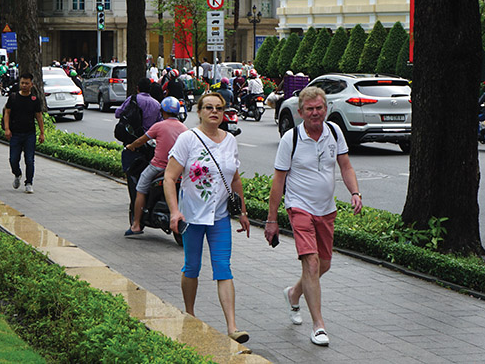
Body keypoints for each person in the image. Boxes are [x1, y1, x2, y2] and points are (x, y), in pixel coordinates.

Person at [264, 87, 362, 347]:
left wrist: (355, 192)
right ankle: (318, 325)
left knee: (324, 264)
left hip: (326, 209)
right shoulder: (291, 139)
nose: (315, 113)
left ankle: (294, 293)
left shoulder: (334, 132)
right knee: (312, 263)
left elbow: (346, 165)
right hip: (299, 207)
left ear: (325, 109)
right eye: (310, 109)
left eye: (319, 108)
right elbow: (278, 181)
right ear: (300, 112)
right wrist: (272, 219)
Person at [163, 92, 251, 343]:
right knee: (192, 267)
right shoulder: (187, 139)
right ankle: (190, 314)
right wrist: (174, 211)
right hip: (191, 216)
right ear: (199, 111)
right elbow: (170, 177)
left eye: (219, 108)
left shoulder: (230, 140)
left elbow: (234, 178)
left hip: (220, 217)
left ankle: (232, 327)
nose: (214, 112)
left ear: (224, 113)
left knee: (223, 267)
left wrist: (242, 212)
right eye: (209, 107)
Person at [124, 97, 189, 236]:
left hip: (158, 167)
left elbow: (142, 140)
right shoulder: (185, 129)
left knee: (140, 189)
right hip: (179, 169)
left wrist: (131, 146)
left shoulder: (159, 126)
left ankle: (136, 225)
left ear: (163, 111)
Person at [4, 72, 46, 194]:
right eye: (22, 83)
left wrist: (42, 133)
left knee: (29, 160)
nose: (24, 85)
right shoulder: (13, 97)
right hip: (15, 134)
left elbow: (39, 117)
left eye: (27, 83)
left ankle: (29, 182)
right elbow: (7, 113)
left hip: (29, 134)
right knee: (13, 159)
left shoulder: (34, 100)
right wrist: (7, 129)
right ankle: (17, 174)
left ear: (31, 84)